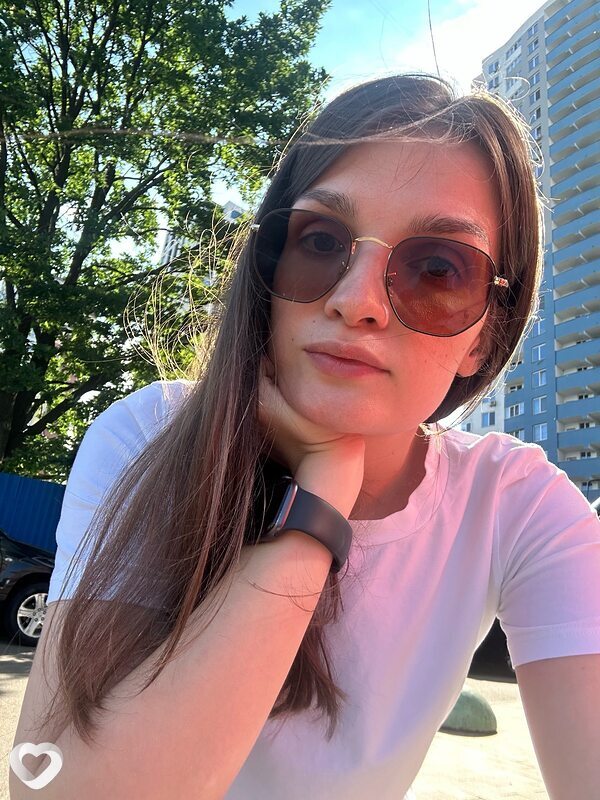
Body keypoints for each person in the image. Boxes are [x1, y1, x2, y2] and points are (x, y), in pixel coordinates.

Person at [11, 73, 600, 800]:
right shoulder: (149, 436)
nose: (355, 301)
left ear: (486, 336)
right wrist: (316, 506)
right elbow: (53, 784)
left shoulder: (516, 506)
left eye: (437, 269)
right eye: (320, 240)